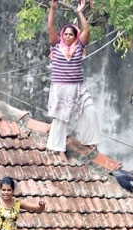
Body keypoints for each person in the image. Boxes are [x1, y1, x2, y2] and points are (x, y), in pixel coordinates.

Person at [46, 0, 100, 161]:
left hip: (78, 87)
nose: (69, 36)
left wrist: (80, 12)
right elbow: (50, 27)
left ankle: (90, 140)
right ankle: (58, 149)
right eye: (66, 34)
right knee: (61, 118)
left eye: (71, 34)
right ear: (63, 35)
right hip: (61, 87)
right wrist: (52, 9)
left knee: (89, 110)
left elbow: (86, 29)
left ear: (75, 36)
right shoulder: (56, 45)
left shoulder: (79, 46)